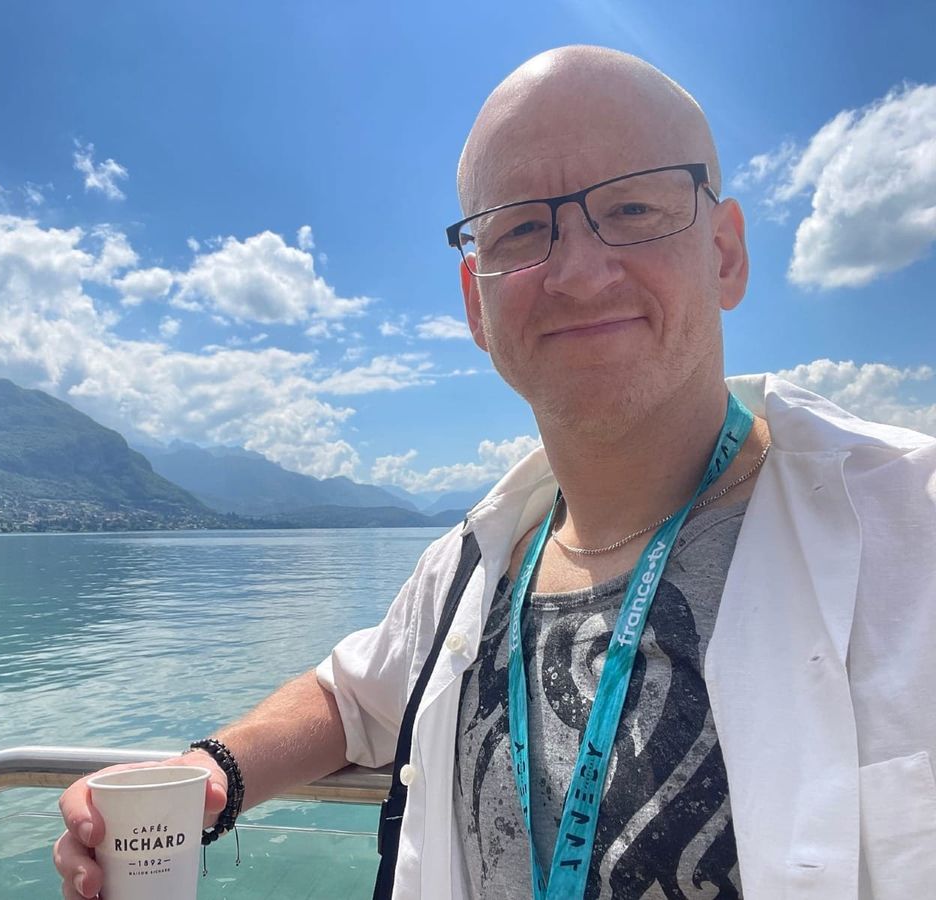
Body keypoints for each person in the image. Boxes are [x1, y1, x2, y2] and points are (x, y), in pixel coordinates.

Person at [54, 45, 936, 899]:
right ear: (477, 303)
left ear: (726, 252)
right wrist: (211, 772)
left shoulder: (911, 530)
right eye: (522, 227)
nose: (582, 272)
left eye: (632, 209)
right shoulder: (472, 569)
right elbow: (351, 696)